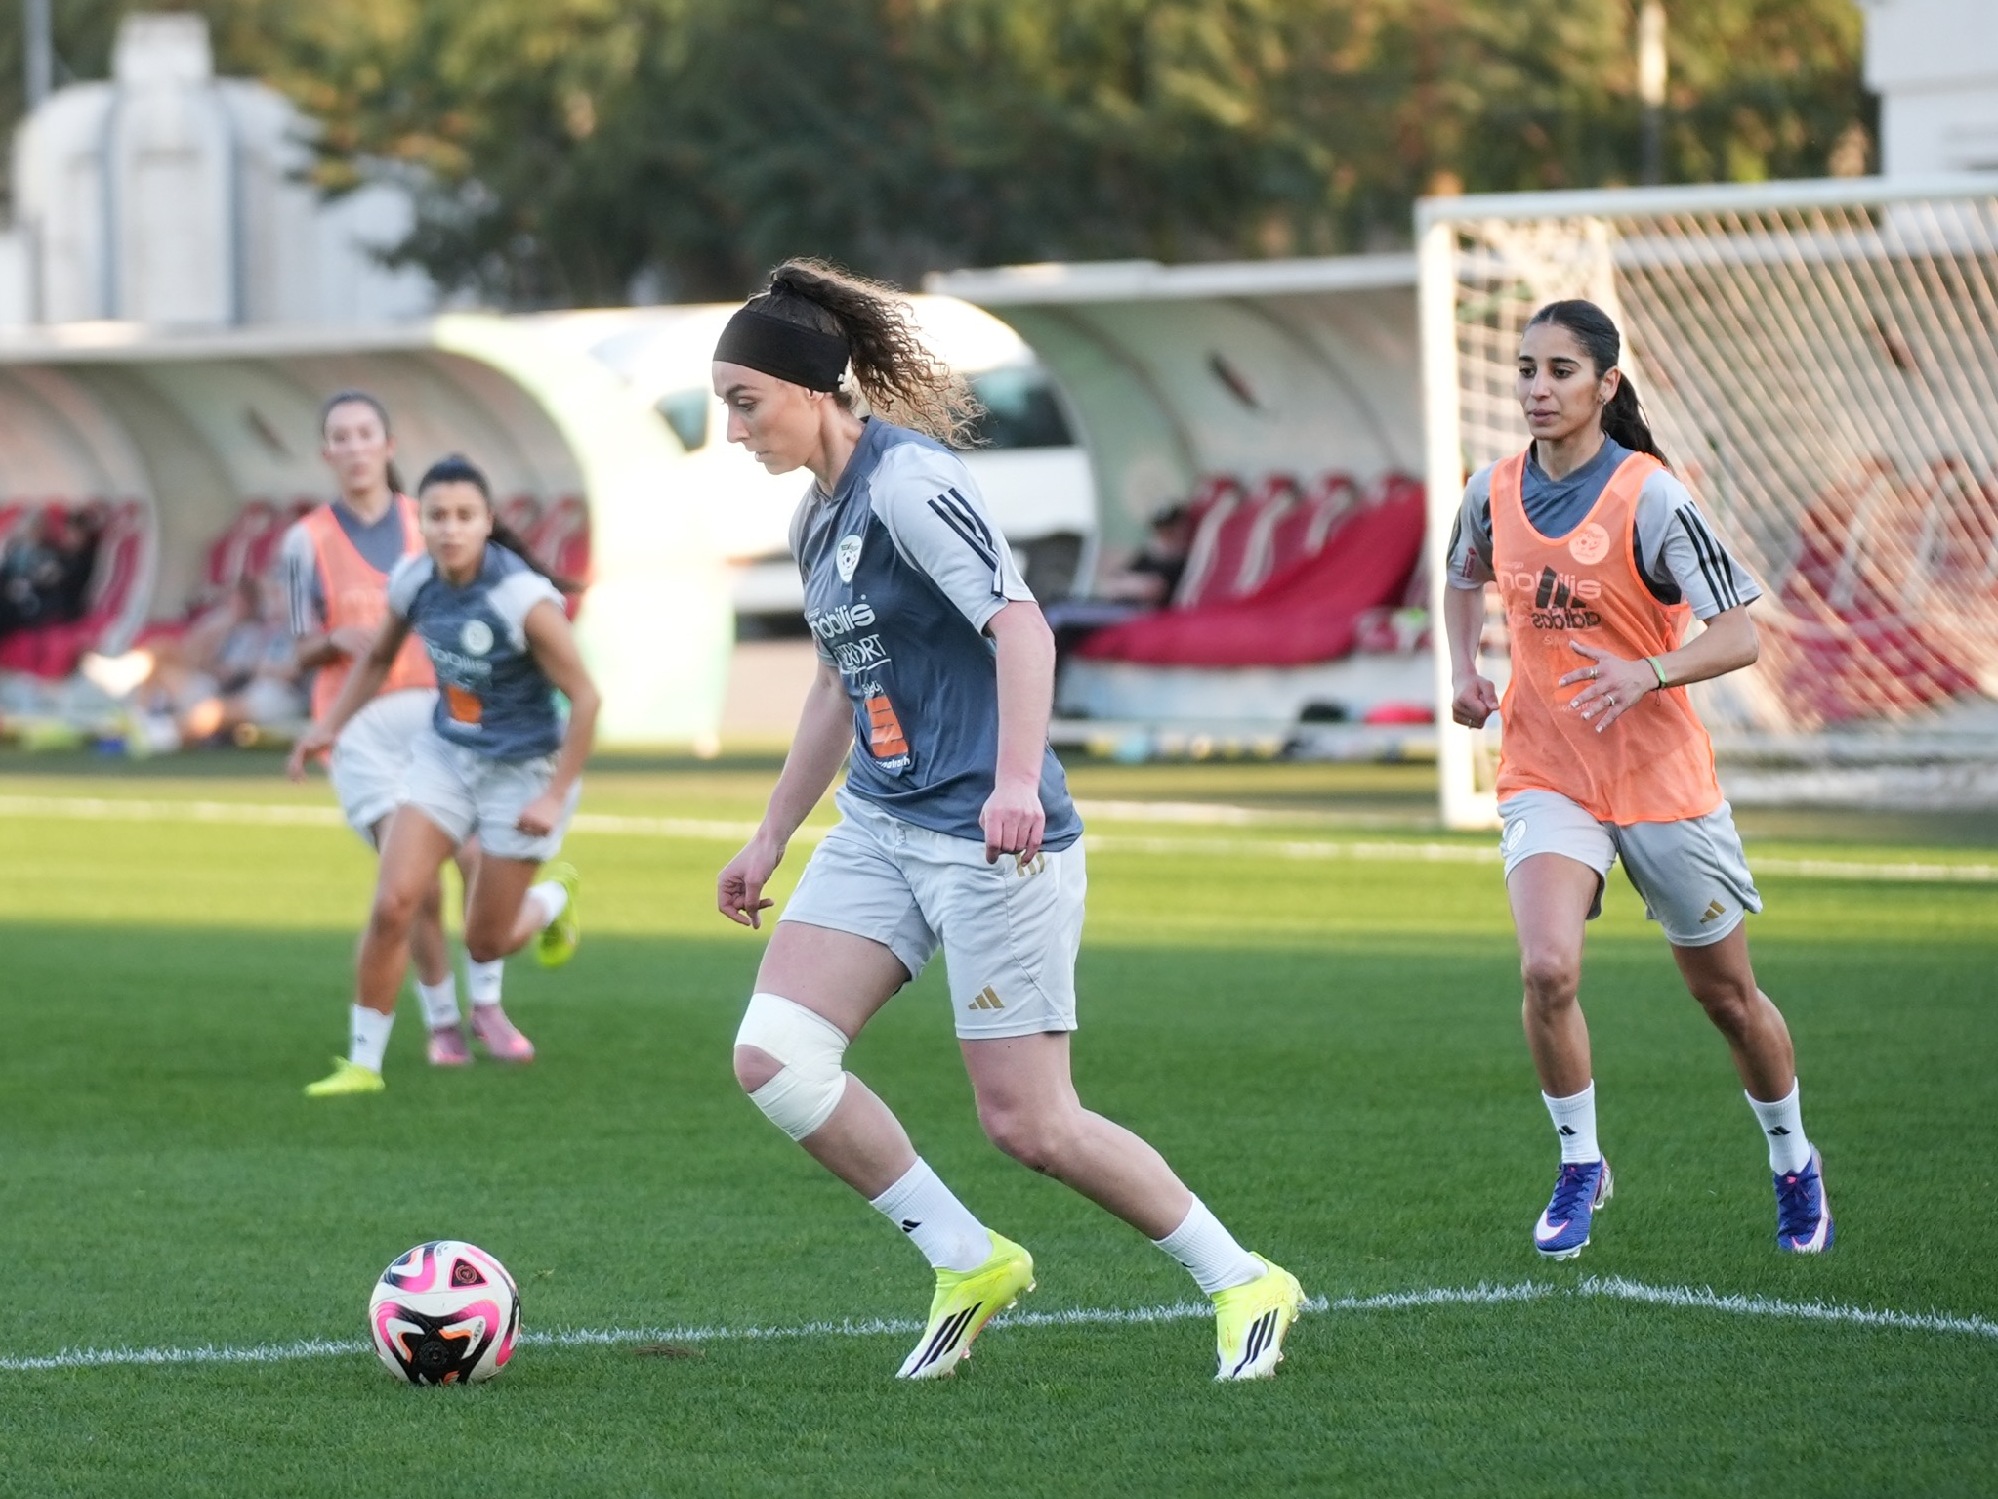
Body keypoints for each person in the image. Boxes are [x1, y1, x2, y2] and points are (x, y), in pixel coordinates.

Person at [712, 259, 1303, 1382]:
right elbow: (838, 681)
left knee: (1031, 1124)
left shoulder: (907, 482)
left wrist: (1017, 781)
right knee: (776, 1057)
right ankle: (967, 1258)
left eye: (746, 402)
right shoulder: (815, 516)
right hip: (880, 824)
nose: (733, 429)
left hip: (990, 840)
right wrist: (772, 832)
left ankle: (1243, 1278)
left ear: (815, 388)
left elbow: (1021, 626)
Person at [1443, 298, 1832, 1260]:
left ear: (1605, 383)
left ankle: (1793, 1159)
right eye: (1526, 369)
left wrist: (1648, 671)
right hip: (1546, 770)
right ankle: (1581, 1161)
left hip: (1661, 781)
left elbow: (1738, 633)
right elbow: (1460, 577)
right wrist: (1463, 669)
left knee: (1728, 999)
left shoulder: (1652, 495)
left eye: (1560, 371)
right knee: (1546, 968)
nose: (1537, 388)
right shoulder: (1491, 489)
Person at [289, 453, 594, 1096]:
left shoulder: (520, 598)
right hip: (446, 755)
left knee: (486, 942)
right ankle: (362, 1065)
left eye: (464, 516)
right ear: (420, 522)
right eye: (437, 516)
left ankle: (551, 900)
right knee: (395, 902)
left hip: (524, 771)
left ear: (486, 522)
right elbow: (377, 658)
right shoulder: (415, 578)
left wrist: (554, 794)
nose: (450, 529)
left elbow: (587, 699)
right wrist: (328, 726)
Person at [279, 393, 533, 1069]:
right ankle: (442, 1019)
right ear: (326, 453)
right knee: (414, 886)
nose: (355, 446)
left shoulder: (432, 521)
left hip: (443, 720)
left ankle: (487, 1004)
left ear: (388, 445)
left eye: (365, 433)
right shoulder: (307, 540)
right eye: (341, 436)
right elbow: (296, 647)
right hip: (362, 732)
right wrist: (331, 641)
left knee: (477, 861)